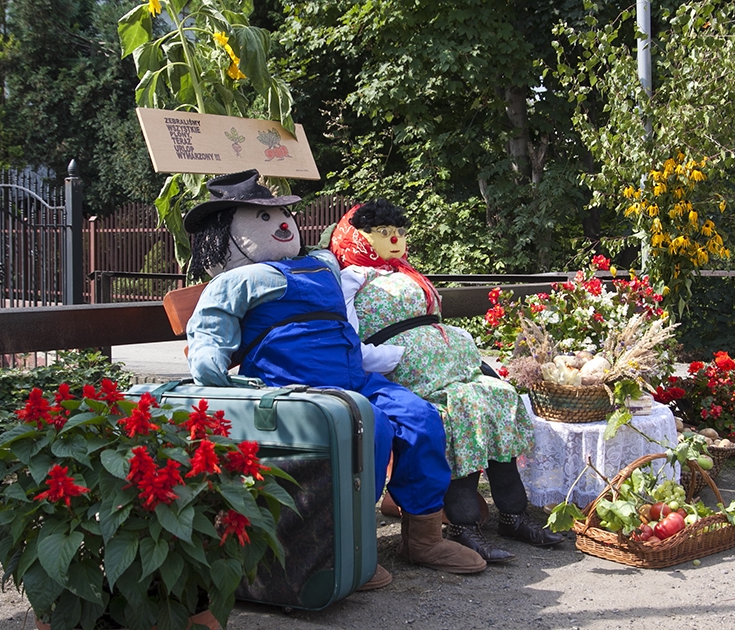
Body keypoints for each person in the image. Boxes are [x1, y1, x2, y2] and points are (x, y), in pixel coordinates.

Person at [184, 171, 487, 587]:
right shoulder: (239, 280)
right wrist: (213, 374)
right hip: (296, 386)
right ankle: (349, 545)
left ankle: (423, 538)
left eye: (282, 215)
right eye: (264, 218)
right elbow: (210, 329)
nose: (282, 225)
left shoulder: (322, 263)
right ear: (227, 236)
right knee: (370, 428)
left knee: (420, 417)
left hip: (353, 377)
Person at [328, 199, 564, 563]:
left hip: (448, 364)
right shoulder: (351, 279)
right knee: (460, 411)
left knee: (499, 397)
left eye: (400, 231)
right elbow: (348, 338)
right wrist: (393, 357)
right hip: (410, 371)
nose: (395, 239)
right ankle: (463, 523)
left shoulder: (406, 272)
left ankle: (513, 514)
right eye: (383, 232)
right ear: (359, 236)